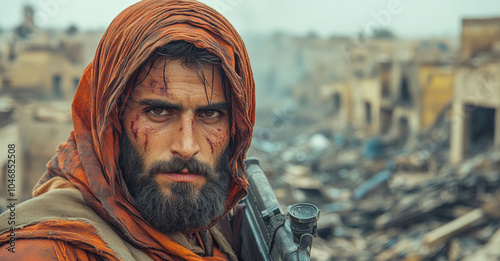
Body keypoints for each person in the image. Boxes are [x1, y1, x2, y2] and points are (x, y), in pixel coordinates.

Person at [0, 0, 255, 260]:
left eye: (210, 114)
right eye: (158, 112)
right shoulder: (39, 253)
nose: (187, 147)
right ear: (113, 121)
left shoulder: (206, 224)